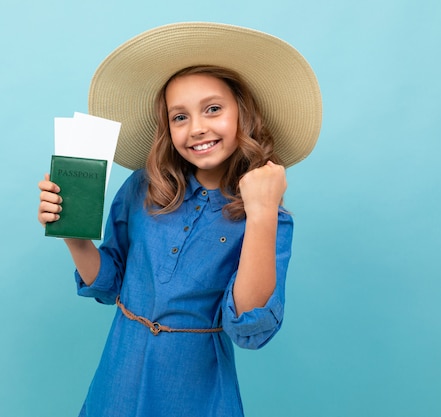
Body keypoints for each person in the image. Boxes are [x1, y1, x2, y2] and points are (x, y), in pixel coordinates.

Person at [38, 22, 321, 417]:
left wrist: (261, 213)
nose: (197, 128)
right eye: (179, 117)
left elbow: (249, 329)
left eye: (213, 109)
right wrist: (73, 235)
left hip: (195, 391)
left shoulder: (272, 218)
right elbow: (108, 284)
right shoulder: (143, 187)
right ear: (167, 129)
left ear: (244, 113)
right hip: (119, 377)